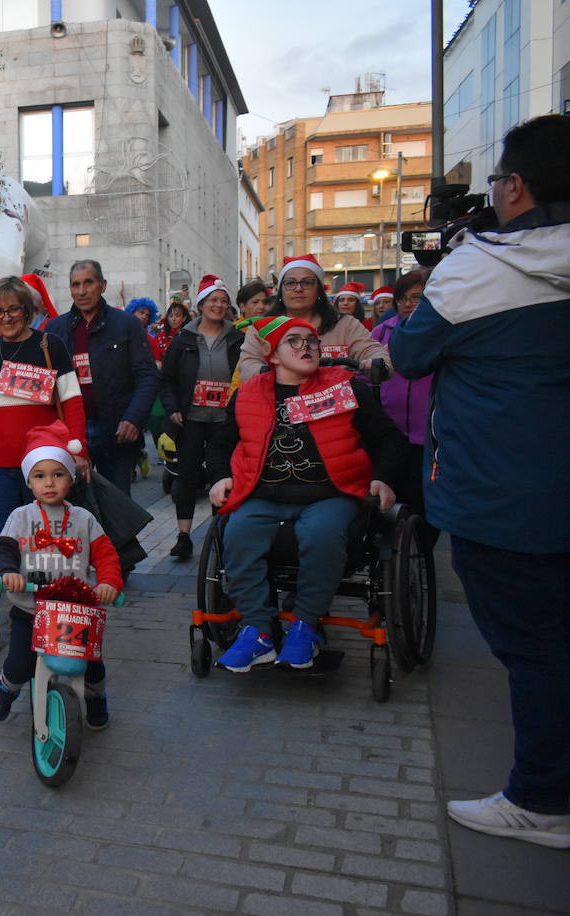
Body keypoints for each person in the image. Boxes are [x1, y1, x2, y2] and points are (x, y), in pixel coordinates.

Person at [390, 114, 570, 847]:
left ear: (517, 187)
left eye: (496, 179)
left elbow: (408, 356)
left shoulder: (481, 265)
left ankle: (541, 797)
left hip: (506, 495)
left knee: (534, 648)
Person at [207, 316, 404, 671]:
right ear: (273, 356)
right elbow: (221, 443)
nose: (307, 347)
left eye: (312, 341)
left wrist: (384, 479)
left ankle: (305, 625)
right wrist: (220, 476)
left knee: (321, 534)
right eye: (294, 342)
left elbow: (389, 439)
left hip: (329, 493)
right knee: (236, 533)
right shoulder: (249, 393)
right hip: (263, 494)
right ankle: (259, 631)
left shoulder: (345, 386)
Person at [0, 276, 87, 653]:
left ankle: (46, 616)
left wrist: (79, 449)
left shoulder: (51, 345)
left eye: (14, 308)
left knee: (45, 542)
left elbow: (73, 401)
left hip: (43, 467)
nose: (7, 316)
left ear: (27, 310)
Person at [0, 421, 121, 727]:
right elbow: (4, 549)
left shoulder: (84, 519)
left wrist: (110, 582)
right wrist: (8, 573)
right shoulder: (21, 517)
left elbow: (105, 554)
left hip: (76, 611)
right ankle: (8, 686)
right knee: (21, 664)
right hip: (29, 607)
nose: (49, 483)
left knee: (92, 665)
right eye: (40, 476)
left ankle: (96, 697)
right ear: (30, 482)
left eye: (58, 474)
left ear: (70, 479)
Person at [44, 260, 157, 494]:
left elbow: (148, 375)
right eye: (75, 285)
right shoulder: (55, 328)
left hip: (116, 431)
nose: (82, 291)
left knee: (115, 507)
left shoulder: (126, 325)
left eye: (88, 283)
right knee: (72, 504)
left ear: (102, 285)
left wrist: (134, 418)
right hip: (70, 431)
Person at [159, 276, 245, 560]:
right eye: (213, 300)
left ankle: (222, 534)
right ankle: (183, 536)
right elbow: (167, 380)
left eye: (223, 301)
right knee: (187, 477)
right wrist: (173, 408)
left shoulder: (237, 338)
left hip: (226, 421)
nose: (218, 305)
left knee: (223, 476)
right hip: (191, 419)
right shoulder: (183, 339)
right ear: (201, 304)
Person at [238, 255, 388, 380]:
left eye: (307, 282)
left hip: (335, 408)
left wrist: (377, 365)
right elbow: (248, 365)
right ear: (281, 290)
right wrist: (279, 375)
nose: (298, 288)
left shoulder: (345, 325)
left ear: (319, 290)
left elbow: (373, 351)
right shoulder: (261, 328)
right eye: (290, 283)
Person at [369, 270, 431, 518]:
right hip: (390, 433)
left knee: (422, 501)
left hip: (426, 437)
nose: (407, 304)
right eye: (403, 298)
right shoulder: (382, 332)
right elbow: (366, 375)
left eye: (416, 297)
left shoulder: (438, 331)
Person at [149, 300, 189, 365]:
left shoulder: (189, 336)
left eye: (177, 316)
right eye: (171, 316)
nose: (173, 319)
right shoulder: (160, 338)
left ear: (184, 318)